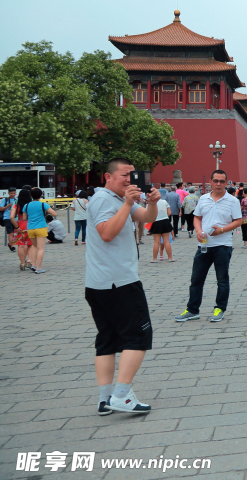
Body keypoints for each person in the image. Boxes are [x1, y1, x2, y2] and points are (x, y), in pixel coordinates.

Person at [86, 158, 162, 414]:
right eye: (124, 175)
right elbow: (106, 233)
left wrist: (151, 203)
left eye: (133, 175)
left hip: (102, 283)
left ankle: (105, 399)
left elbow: (145, 218)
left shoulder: (117, 200)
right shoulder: (103, 200)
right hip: (118, 283)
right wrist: (129, 202)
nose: (130, 180)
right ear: (107, 177)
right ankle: (121, 396)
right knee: (138, 337)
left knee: (107, 341)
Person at [174, 170, 242, 323]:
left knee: (222, 280)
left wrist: (222, 230)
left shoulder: (232, 201)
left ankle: (219, 308)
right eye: (216, 181)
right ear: (210, 182)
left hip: (223, 246)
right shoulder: (203, 199)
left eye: (222, 181)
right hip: (203, 246)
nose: (219, 184)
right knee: (196, 279)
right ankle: (192, 310)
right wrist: (198, 231)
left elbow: (238, 221)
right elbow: (197, 217)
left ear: (226, 182)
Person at [25, 188, 58, 274]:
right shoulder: (43, 204)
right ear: (41, 195)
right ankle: (38, 268)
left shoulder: (27, 205)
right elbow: (54, 213)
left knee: (34, 246)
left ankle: (33, 265)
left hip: (30, 228)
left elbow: (25, 218)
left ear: (31, 195)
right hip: (41, 227)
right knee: (41, 248)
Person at [149, 192, 174, 263]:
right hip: (165, 221)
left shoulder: (150, 203)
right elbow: (169, 213)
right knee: (166, 242)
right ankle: (170, 257)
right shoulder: (164, 202)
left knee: (156, 242)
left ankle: (154, 259)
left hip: (156, 222)